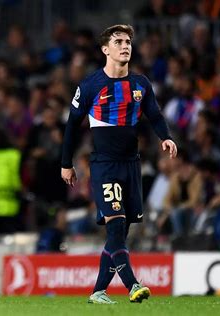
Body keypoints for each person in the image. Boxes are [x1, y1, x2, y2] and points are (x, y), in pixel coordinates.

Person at [61, 25, 177, 304]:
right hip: (104, 165)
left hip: (131, 165)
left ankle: (98, 291)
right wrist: (66, 163)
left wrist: (167, 137)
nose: (125, 46)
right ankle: (133, 285)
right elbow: (71, 127)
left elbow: (155, 115)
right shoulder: (90, 85)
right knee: (115, 227)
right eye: (118, 42)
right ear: (105, 50)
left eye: (128, 42)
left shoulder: (141, 84)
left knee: (119, 235)